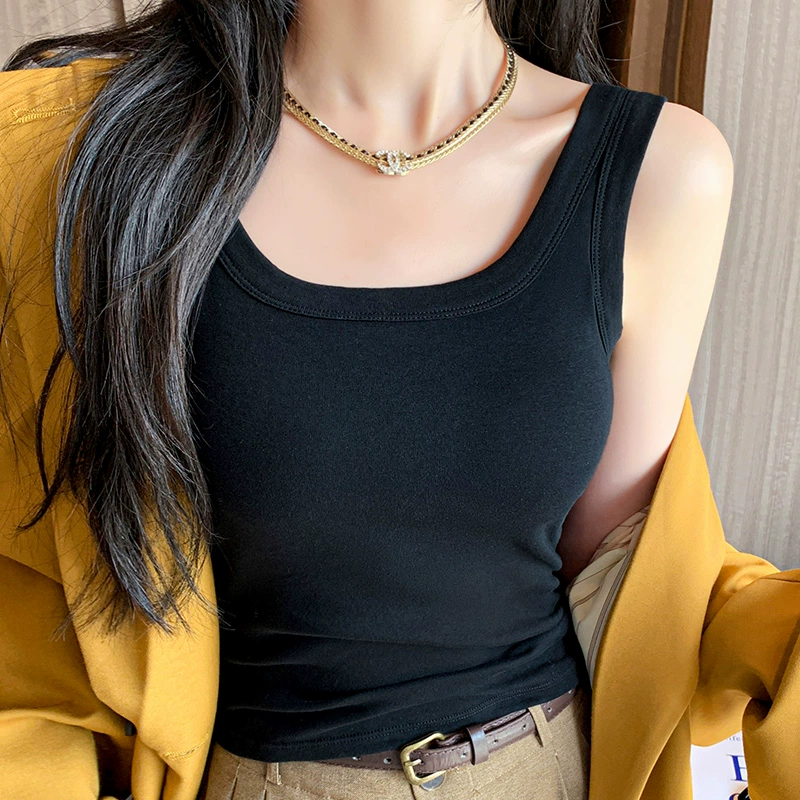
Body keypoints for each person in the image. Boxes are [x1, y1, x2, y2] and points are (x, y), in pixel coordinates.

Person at [0, 1, 737, 799]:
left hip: (544, 767)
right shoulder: (103, 159)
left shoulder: (663, 170)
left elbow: (625, 575)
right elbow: (47, 606)